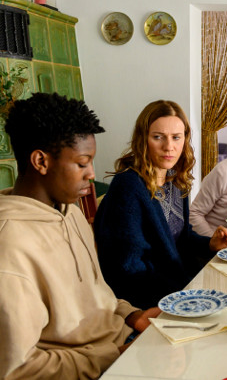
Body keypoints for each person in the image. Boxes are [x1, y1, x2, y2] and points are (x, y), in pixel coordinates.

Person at [0, 93, 160, 379]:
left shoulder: (70, 212)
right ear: (40, 161)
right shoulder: (9, 245)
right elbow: (19, 369)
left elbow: (97, 295)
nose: (92, 174)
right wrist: (113, 359)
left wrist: (130, 314)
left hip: (123, 340)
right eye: (82, 163)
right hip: (97, 367)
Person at [94, 100, 227, 309]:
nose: (169, 147)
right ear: (143, 139)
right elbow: (128, 267)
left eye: (176, 137)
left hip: (177, 283)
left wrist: (209, 244)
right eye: (158, 137)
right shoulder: (128, 187)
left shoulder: (175, 179)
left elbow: (181, 238)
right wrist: (182, 298)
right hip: (145, 299)